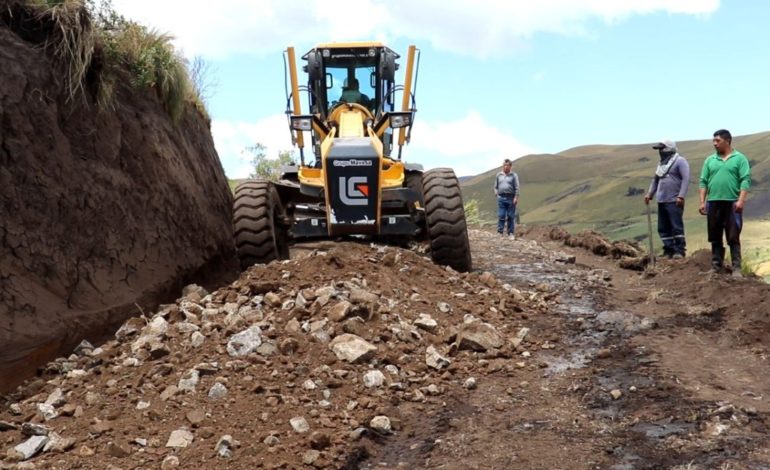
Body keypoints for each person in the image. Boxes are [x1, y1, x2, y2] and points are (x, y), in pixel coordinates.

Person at [698, 129, 751, 277]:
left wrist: (741, 200)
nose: (714, 144)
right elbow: (703, 182)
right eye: (713, 141)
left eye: (717, 141)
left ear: (727, 141)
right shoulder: (710, 160)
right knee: (714, 235)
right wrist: (702, 202)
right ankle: (716, 266)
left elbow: (745, 180)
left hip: (732, 202)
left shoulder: (739, 158)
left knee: (733, 235)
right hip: (713, 201)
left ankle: (736, 268)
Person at [644, 139, 690, 259]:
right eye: (659, 149)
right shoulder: (661, 164)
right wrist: (650, 193)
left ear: (669, 148)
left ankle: (679, 250)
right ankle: (668, 249)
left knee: (676, 226)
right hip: (662, 200)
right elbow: (655, 180)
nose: (660, 151)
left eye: (662, 148)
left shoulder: (680, 161)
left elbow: (686, 179)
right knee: (663, 227)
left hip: (674, 200)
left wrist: (681, 195)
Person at [493, 158, 520, 239]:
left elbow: (517, 187)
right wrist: (496, 194)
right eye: (504, 165)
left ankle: (510, 233)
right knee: (501, 215)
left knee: (510, 216)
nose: (505, 167)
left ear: (510, 166)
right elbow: (495, 186)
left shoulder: (514, 175)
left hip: (511, 198)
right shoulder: (499, 175)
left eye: (507, 165)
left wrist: (516, 197)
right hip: (501, 197)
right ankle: (500, 232)